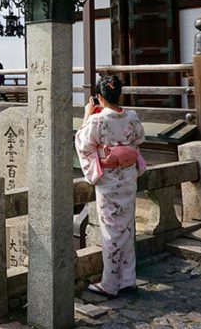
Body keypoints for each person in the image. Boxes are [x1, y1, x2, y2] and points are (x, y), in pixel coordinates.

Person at [74, 76, 146, 298]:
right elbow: (140, 138)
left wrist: (87, 115)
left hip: (109, 180)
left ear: (99, 97)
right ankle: (128, 278)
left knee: (111, 231)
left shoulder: (97, 122)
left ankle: (110, 284)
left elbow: (82, 142)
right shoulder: (131, 117)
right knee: (126, 228)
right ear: (119, 95)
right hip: (128, 177)